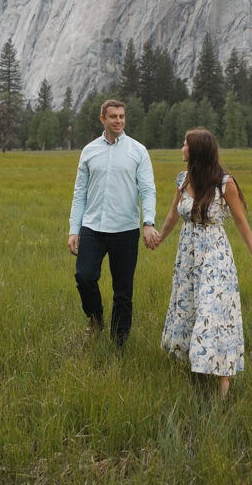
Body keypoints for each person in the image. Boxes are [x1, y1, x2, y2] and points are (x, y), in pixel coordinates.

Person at [157, 127, 252, 398]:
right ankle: (198, 372)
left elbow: (241, 221)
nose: (181, 148)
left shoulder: (225, 183)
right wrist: (159, 237)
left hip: (215, 259)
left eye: (184, 144)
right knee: (188, 310)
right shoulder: (183, 179)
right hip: (187, 259)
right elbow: (172, 215)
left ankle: (223, 385)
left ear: (196, 151)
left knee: (212, 315)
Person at [68, 99, 158, 346]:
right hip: (92, 228)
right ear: (102, 120)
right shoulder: (89, 151)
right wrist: (73, 230)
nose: (118, 121)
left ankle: (119, 346)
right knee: (84, 277)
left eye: (122, 116)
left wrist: (148, 222)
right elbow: (80, 193)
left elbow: (148, 190)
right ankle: (95, 319)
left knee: (123, 293)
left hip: (125, 231)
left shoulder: (137, 151)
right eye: (113, 117)